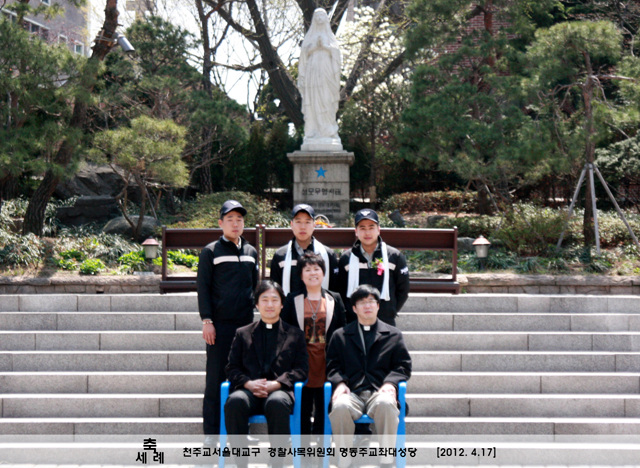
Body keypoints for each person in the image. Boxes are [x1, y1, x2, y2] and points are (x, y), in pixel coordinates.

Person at [225, 281, 309, 468]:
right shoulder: (243, 334)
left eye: (274, 300)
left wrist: (277, 384)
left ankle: (277, 462)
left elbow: (301, 369)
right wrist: (248, 384)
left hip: (280, 390)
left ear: (282, 304)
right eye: (264, 300)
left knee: (277, 402)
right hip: (249, 390)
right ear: (257, 304)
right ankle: (240, 463)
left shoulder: (295, 334)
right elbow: (232, 368)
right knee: (235, 401)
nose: (269, 304)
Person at [326, 285, 412, 468]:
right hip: (352, 392)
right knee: (339, 406)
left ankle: (386, 461)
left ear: (378, 306)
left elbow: (403, 366)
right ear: (354, 308)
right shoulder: (340, 336)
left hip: (379, 391)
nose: (367, 306)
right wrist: (340, 383)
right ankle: (344, 461)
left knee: (386, 404)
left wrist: (390, 383)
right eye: (362, 302)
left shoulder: (393, 335)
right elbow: (332, 366)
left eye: (372, 301)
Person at [197, 200, 258, 442]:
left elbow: (254, 286)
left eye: (239, 219)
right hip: (219, 325)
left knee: (242, 379)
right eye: (230, 219)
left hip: (245, 327)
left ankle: (240, 432)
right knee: (215, 379)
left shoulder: (251, 252)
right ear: (221, 223)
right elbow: (203, 287)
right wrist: (207, 320)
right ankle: (211, 434)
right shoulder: (211, 251)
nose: (235, 224)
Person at [281, 253, 346, 436]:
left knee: (324, 407)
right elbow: (284, 331)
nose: (313, 273)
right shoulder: (292, 299)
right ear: (301, 275)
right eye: (307, 269)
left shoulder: (335, 298)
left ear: (323, 273)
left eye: (317, 269)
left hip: (326, 361)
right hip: (301, 362)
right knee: (303, 406)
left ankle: (321, 445)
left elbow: (342, 330)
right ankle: (303, 446)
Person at [338, 209, 410, 326]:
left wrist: (390, 310)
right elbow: (340, 290)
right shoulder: (346, 258)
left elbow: (403, 289)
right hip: (354, 322)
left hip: (385, 320)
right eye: (362, 228)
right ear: (356, 231)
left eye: (371, 227)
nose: (367, 233)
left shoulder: (394, 256)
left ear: (378, 230)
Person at [270, 204, 339, 296]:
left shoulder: (328, 255)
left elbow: (334, 290)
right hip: (289, 305)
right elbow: (275, 291)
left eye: (307, 222)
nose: (303, 227)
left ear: (314, 225)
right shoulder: (281, 255)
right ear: (291, 224)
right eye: (298, 222)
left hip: (321, 304)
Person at [298, 8, 342, 150]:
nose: (319, 18)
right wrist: (314, 48)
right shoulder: (309, 37)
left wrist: (326, 47)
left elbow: (336, 54)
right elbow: (304, 55)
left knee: (326, 99)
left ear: (326, 19)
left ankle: (328, 131)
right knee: (314, 99)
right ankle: (313, 130)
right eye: (317, 16)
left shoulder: (330, 37)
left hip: (326, 73)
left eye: (322, 15)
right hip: (313, 72)